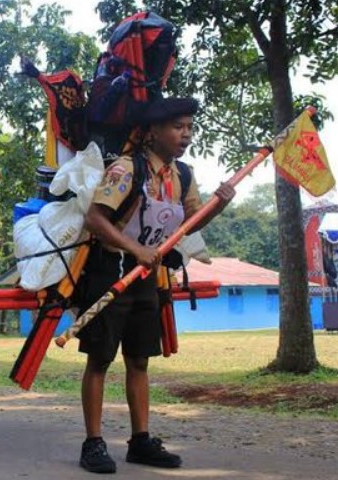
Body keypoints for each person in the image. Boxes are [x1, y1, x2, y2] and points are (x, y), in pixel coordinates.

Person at [77, 97, 235, 473]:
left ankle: (140, 440)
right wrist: (135, 248)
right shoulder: (126, 169)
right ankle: (93, 443)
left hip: (147, 277)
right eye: (178, 127)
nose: (186, 135)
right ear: (153, 132)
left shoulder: (183, 175)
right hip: (112, 270)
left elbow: (188, 225)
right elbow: (95, 219)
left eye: (190, 129)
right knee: (100, 358)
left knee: (139, 359)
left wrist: (219, 206)